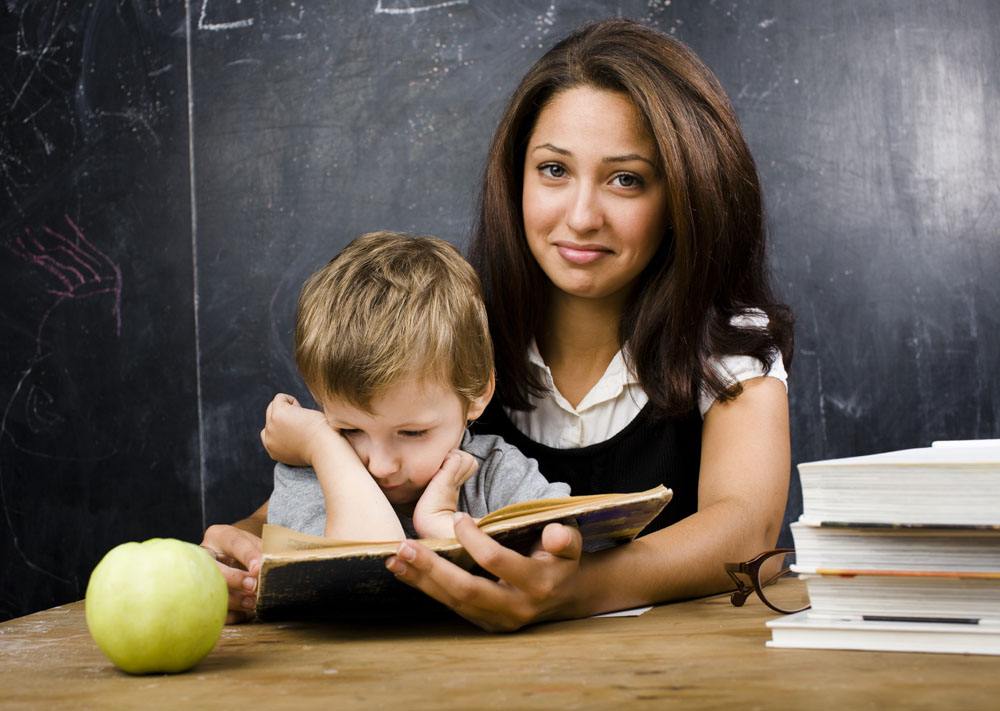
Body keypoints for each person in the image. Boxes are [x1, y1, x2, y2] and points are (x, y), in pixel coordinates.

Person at [202, 18, 793, 629]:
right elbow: (309, 501)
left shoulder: (726, 340)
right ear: (514, 179)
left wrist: (572, 590)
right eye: (554, 170)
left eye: (626, 179)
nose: (583, 215)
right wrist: (242, 549)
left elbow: (749, 529)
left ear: (684, 195)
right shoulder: (452, 327)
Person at [262, 231, 569, 544]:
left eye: (412, 433)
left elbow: (564, 547)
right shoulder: (312, 476)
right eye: (349, 431)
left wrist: (444, 528)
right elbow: (362, 569)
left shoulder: (495, 474)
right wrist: (321, 442)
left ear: (477, 392)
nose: (381, 466)